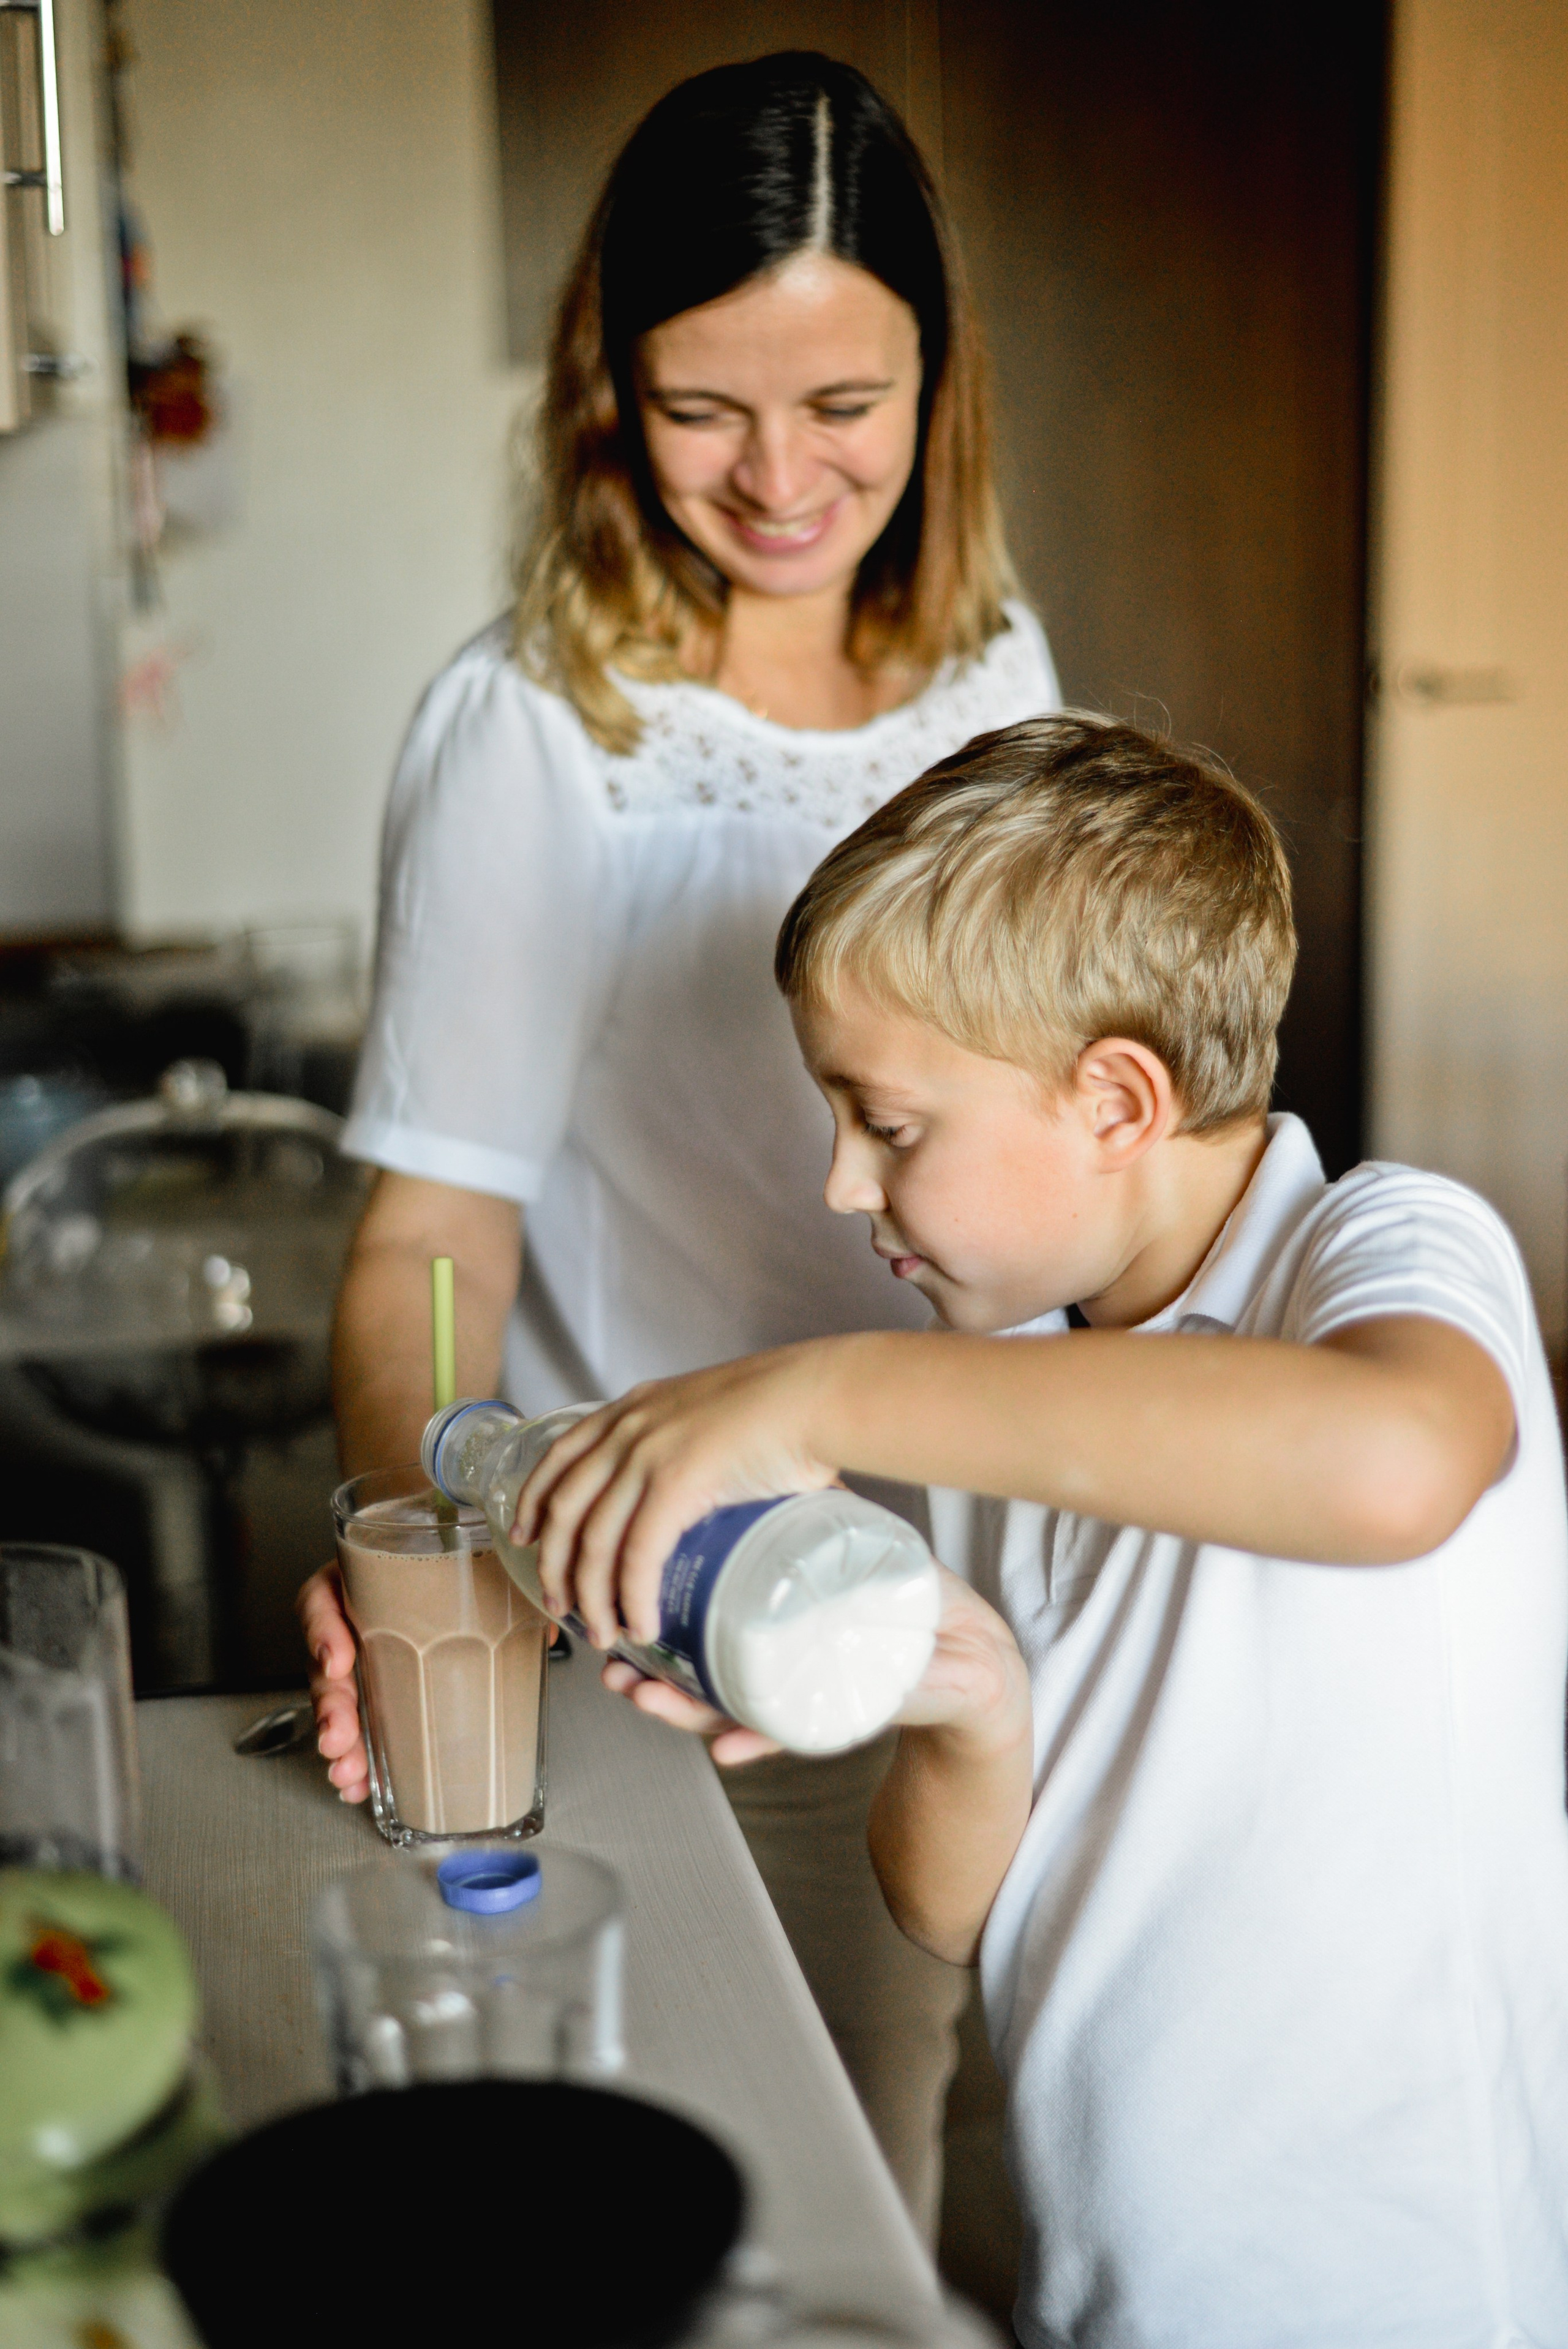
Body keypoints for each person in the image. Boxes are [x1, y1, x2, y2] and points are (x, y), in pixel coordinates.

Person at [511, 714, 1568, 2348]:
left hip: (1394, 2298)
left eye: (889, 1124)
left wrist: (819, 1391)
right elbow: (953, 1913)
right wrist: (973, 1707)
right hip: (1114, 2289)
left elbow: (1393, 1464)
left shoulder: (1385, 1247)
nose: (841, 1184)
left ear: (1120, 1102)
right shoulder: (1007, 1377)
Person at [299, 51, 1059, 2237]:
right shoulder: (543, 727)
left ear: (940, 381)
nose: (781, 477)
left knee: (886, 2175)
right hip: (670, 1620)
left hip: (970, 1606)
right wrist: (433, 1546)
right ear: (607, 388)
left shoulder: (997, 672)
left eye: (847, 402)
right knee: (702, 2209)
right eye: (702, 406)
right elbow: (424, 1235)